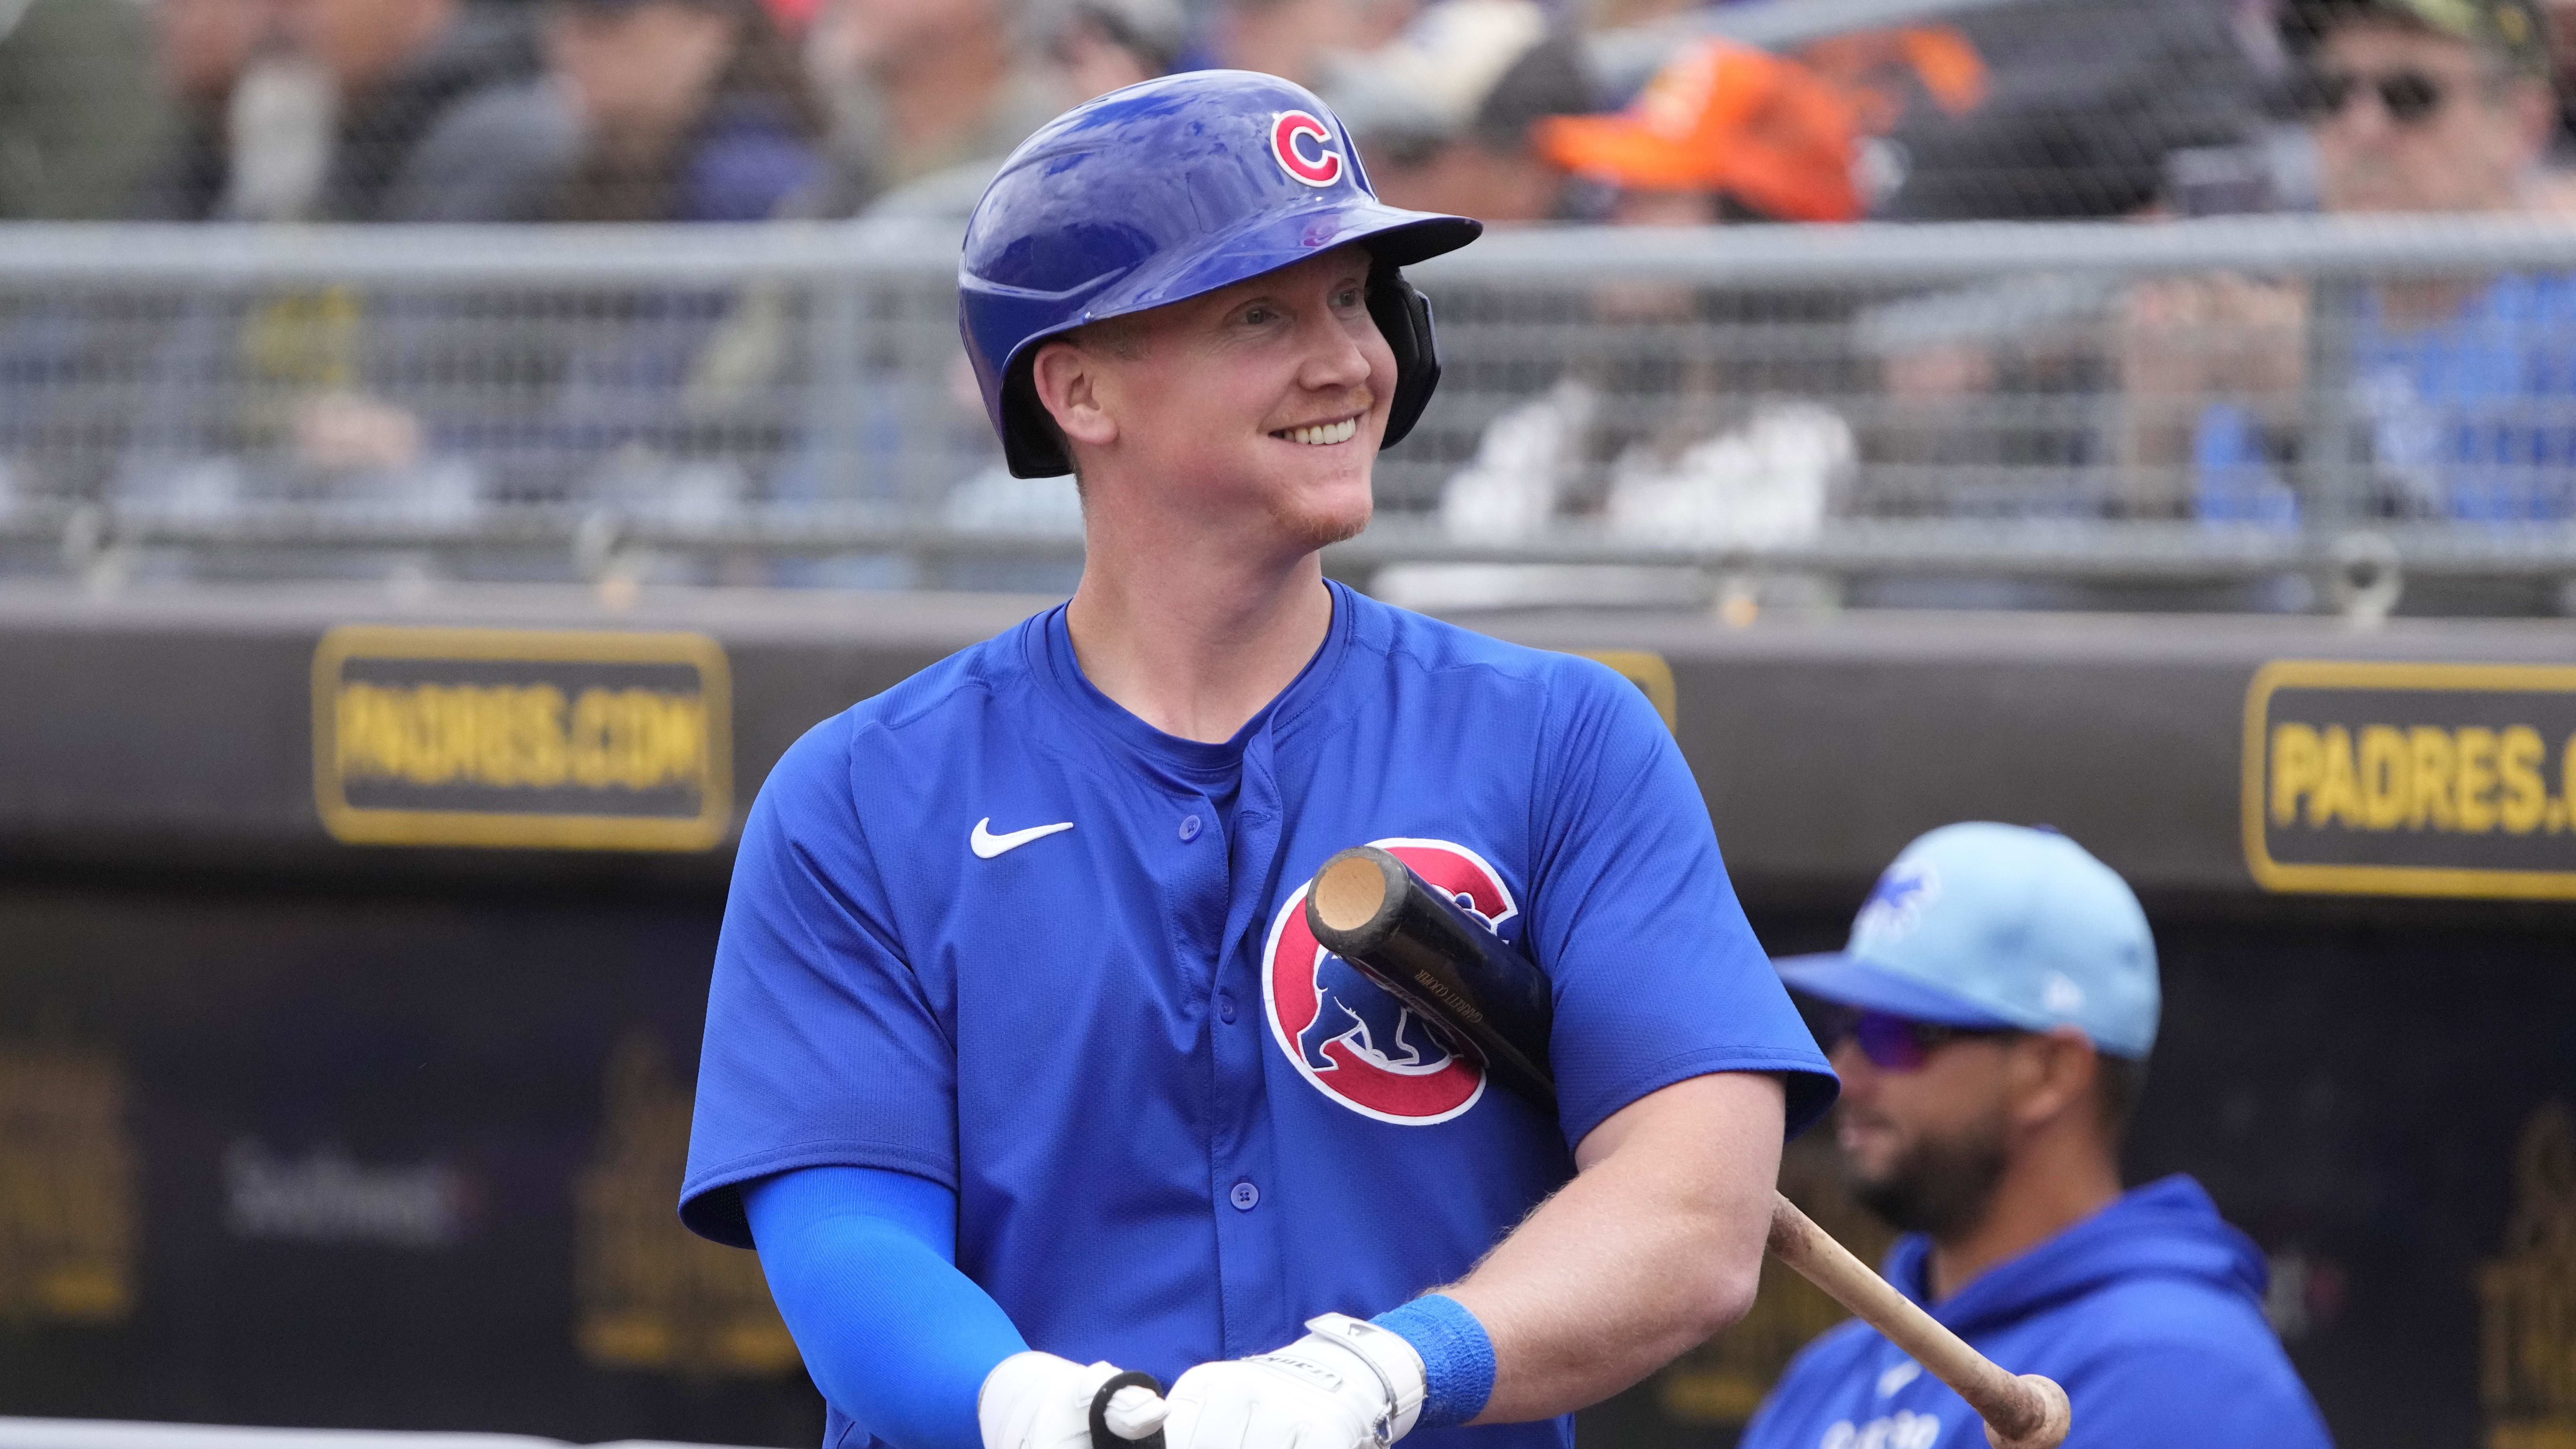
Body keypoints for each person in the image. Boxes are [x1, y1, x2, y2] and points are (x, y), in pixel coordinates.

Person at [679, 69, 1837, 1449]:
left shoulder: (1564, 738)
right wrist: (1065, 1419)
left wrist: (1380, 1375)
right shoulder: (866, 793)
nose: (1346, 357)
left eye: (1356, 299)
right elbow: (847, 1249)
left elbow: (1695, 1214)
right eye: (1260, 312)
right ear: (1081, 389)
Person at [1740, 822, 2334, 1449]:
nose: (1846, 1072)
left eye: (1895, 1031)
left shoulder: (2183, 1378)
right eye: (1844, 1023)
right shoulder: (1826, 1378)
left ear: (2050, 1072)